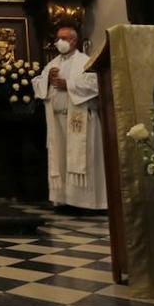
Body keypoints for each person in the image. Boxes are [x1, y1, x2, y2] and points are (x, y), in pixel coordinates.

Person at [30, 26, 105, 210]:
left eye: (63, 38)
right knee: (60, 159)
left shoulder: (85, 61)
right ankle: (64, 200)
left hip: (80, 120)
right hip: (57, 122)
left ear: (74, 41)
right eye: (57, 38)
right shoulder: (53, 63)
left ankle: (85, 203)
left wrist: (68, 84)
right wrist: (47, 79)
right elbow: (37, 83)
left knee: (81, 158)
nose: (59, 42)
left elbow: (96, 83)